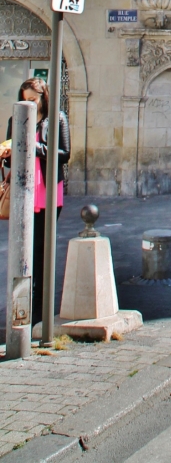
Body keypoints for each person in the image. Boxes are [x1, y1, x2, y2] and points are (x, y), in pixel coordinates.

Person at [1, 78, 70, 325]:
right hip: (23, 190)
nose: (28, 103)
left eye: (33, 99)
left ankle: (41, 313)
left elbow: (65, 154)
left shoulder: (57, 118)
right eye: (24, 99)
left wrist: (37, 148)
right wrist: (8, 154)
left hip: (48, 191)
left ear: (43, 97)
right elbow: (11, 159)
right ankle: (22, 308)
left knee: (41, 250)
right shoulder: (15, 119)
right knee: (23, 251)